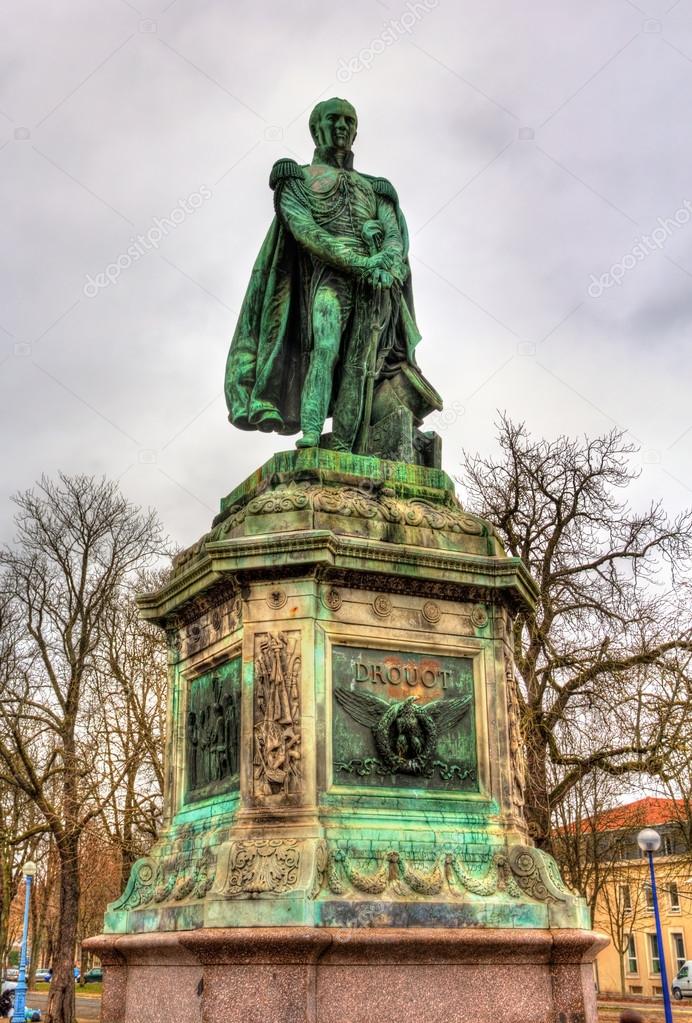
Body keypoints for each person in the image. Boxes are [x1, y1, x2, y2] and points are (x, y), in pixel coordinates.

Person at [225, 97, 441, 455]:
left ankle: (342, 447)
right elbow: (306, 231)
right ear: (316, 128)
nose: (342, 127)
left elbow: (394, 237)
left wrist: (385, 264)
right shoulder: (297, 178)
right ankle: (311, 434)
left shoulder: (376, 188)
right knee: (324, 349)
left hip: (376, 289)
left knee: (360, 366)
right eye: (334, 120)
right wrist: (361, 263)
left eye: (349, 121)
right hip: (329, 281)